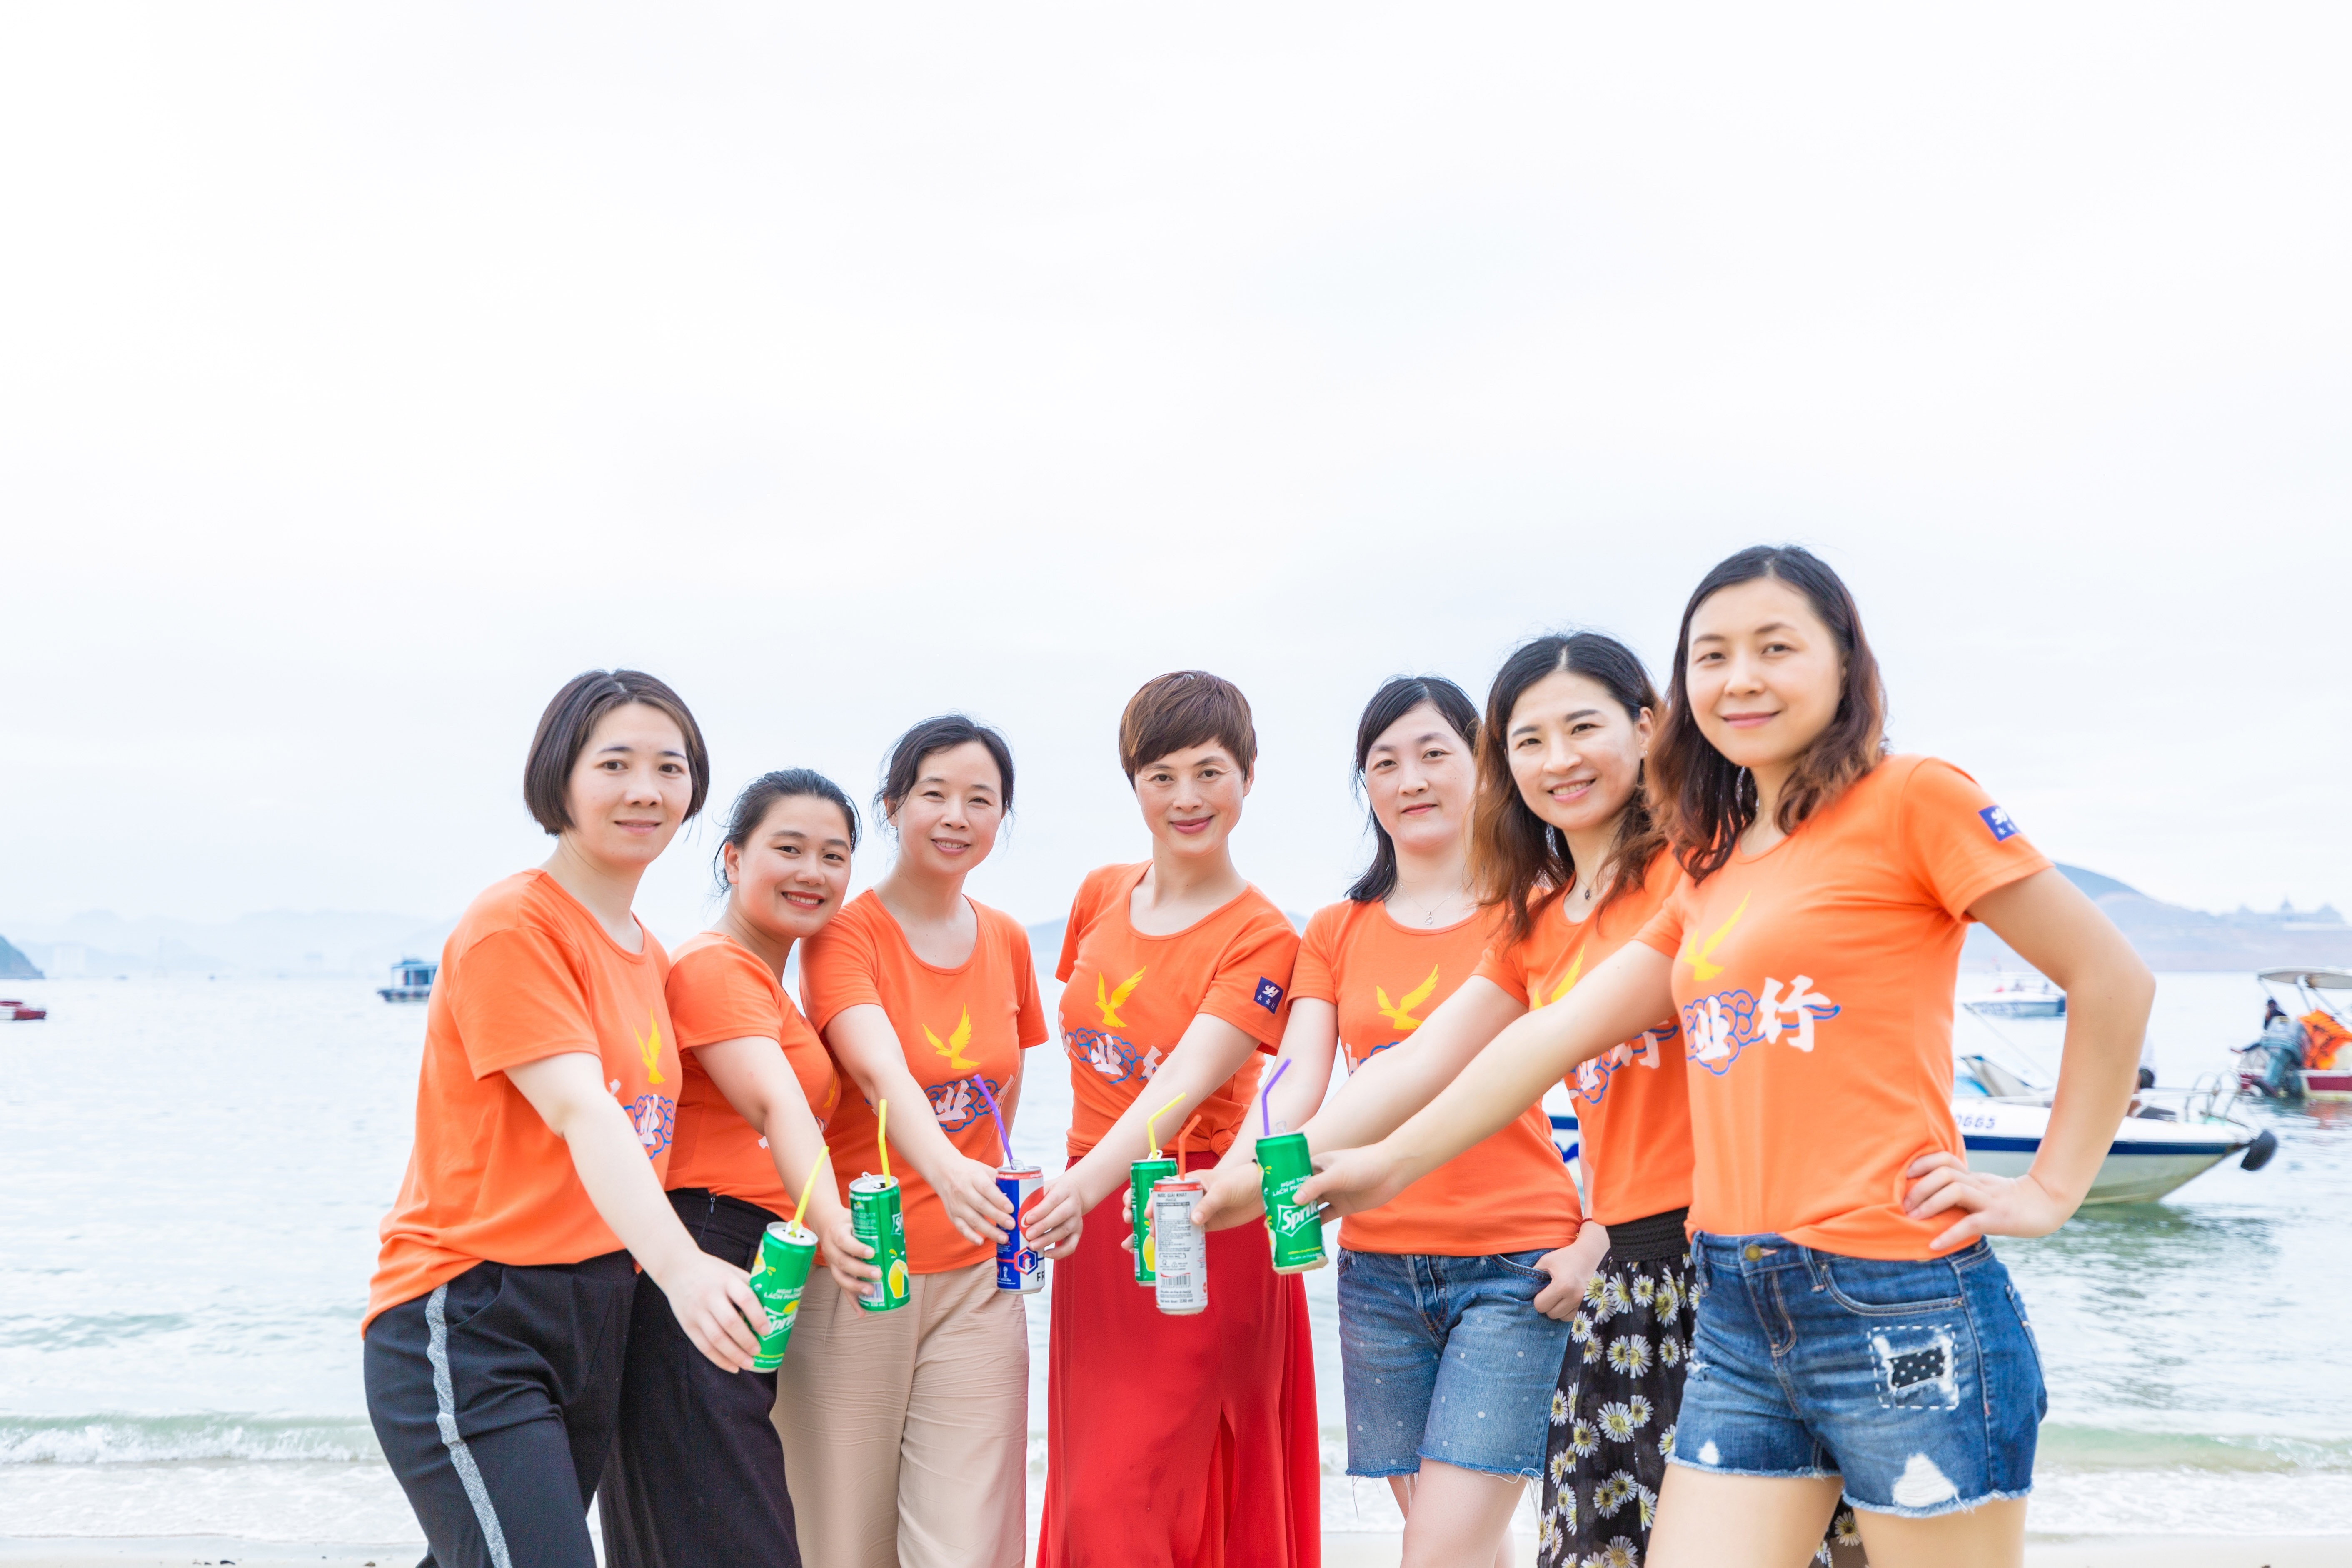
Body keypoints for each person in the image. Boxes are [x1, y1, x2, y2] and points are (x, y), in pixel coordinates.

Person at [1301, 547, 2154, 1568]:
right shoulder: (1715, 865)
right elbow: (1547, 1036)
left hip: (1893, 1292)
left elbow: (2112, 978)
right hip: (1737, 1301)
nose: (1741, 677)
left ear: (1845, 659)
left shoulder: (1912, 796)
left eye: (1775, 647)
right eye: (1712, 655)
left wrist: (2051, 1189)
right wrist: (1378, 1165)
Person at [364, 669, 770, 1568]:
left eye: (670, 767)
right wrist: (684, 1269)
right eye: (615, 764)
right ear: (560, 776)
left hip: (593, 1313)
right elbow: (582, 1109)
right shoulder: (515, 926)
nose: (645, 790)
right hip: (475, 1313)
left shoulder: (648, 954)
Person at [1195, 674, 1587, 1568]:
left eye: (1434, 754)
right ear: (1364, 784)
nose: (1411, 779)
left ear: (1483, 767)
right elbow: (1295, 1075)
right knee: (1457, 1543)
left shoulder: (1537, 910)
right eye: (1385, 762)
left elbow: (1603, 1080)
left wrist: (1598, 1231)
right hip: (1379, 1272)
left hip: (1515, 1265)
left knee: (1438, 1550)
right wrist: (1235, 1173)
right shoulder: (1337, 928)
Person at [1023, 670, 1318, 1568]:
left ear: (1249, 776)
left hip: (1198, 1222)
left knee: (1160, 1486)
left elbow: (1182, 1086)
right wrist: (1076, 1193)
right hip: (1094, 1238)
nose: (1186, 798)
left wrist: (1080, 1186)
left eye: (1209, 772)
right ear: (1134, 784)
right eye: (1161, 776)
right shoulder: (1098, 895)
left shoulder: (1263, 936)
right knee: (1091, 1483)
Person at [784, 716, 1052, 1568]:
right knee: (845, 1538)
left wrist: (994, 1193)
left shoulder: (1008, 939)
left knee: (968, 1541)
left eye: (981, 799)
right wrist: (947, 1168)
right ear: (893, 805)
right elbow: (878, 1071)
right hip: (862, 1270)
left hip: (978, 1278)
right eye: (934, 794)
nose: (956, 816)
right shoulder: (843, 933)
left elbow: (1002, 1096)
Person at [600, 769, 876, 1568]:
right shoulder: (714, 967)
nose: (812, 872)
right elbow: (776, 1106)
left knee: (703, 1527)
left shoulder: (770, 984)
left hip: (748, 1262)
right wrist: (837, 1228)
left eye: (833, 856)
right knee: (732, 1532)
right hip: (704, 1251)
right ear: (731, 858)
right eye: (788, 849)